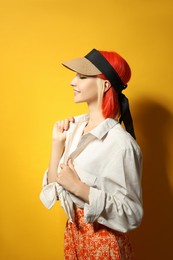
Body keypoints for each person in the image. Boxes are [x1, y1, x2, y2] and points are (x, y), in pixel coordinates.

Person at [40, 48, 143, 259]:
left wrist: (80, 188)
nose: (72, 82)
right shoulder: (73, 129)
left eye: (82, 76)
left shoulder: (121, 144)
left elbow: (133, 213)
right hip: (74, 238)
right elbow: (53, 192)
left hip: (104, 245)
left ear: (104, 85)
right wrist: (56, 144)